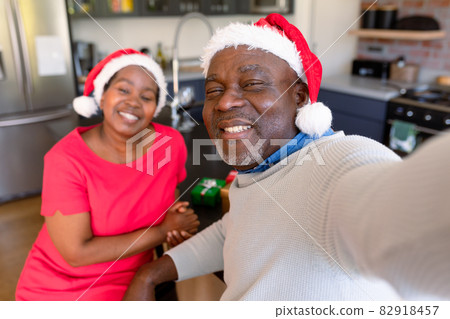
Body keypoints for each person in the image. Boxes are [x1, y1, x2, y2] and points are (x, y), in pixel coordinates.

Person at [123, 14, 450, 301]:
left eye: (251, 83)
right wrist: (150, 274)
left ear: (299, 96)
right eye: (214, 91)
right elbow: (236, 228)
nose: (224, 103)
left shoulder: (338, 162)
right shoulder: (261, 170)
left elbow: (406, 218)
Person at [15, 49, 199, 301]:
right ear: (101, 98)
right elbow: (77, 253)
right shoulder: (66, 160)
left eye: (146, 96)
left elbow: (169, 194)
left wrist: (174, 219)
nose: (133, 101)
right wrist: (163, 231)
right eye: (123, 90)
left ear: (155, 108)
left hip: (132, 279)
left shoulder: (168, 144)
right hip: (61, 289)